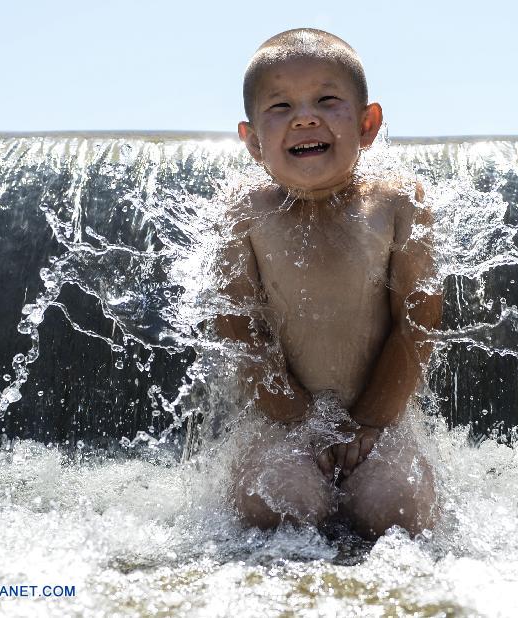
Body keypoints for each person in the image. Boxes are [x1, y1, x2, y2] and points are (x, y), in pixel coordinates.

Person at [215, 28, 441, 539]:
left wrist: (368, 423)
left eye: (326, 100)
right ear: (251, 140)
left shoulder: (398, 201)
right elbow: (237, 328)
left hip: (379, 423)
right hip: (282, 422)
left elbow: (419, 321)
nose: (305, 116)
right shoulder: (243, 209)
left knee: (401, 508)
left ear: (368, 124)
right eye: (280, 106)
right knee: (282, 501)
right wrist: (301, 424)